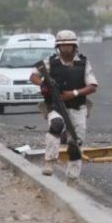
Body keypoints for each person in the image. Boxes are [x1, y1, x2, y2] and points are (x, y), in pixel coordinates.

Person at [29, 30, 98, 183]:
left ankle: (72, 179)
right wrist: (44, 84)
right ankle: (49, 161)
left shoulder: (83, 63)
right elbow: (33, 76)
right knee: (56, 124)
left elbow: (92, 86)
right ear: (58, 47)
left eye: (69, 45)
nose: (66, 48)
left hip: (77, 106)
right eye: (63, 46)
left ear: (75, 47)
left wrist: (73, 93)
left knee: (75, 143)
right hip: (56, 105)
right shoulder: (50, 61)